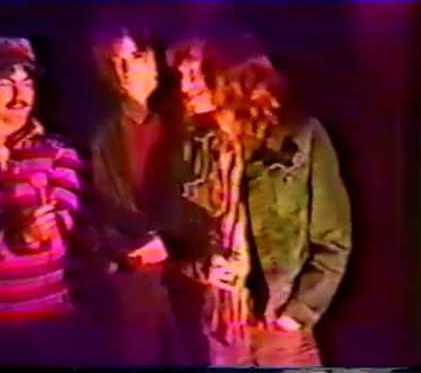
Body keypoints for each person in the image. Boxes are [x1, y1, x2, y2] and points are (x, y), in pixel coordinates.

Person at [167, 33, 352, 367]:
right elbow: (179, 237)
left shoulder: (300, 137)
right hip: (221, 333)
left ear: (229, 74)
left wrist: (297, 313)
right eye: (181, 75)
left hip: (281, 333)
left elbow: (333, 239)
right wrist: (204, 267)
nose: (184, 86)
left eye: (194, 74)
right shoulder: (194, 148)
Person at [0, 37, 102, 366]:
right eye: (5, 84)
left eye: (27, 83)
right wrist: (21, 233)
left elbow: (55, 243)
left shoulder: (59, 152)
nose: (20, 96)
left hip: (50, 319)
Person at [88, 25, 189, 365]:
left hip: (191, 279)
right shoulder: (106, 137)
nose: (125, 70)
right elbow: (106, 206)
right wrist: (126, 249)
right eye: (115, 62)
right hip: (137, 285)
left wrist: (174, 241)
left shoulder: (187, 119)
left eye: (135, 57)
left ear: (155, 59)